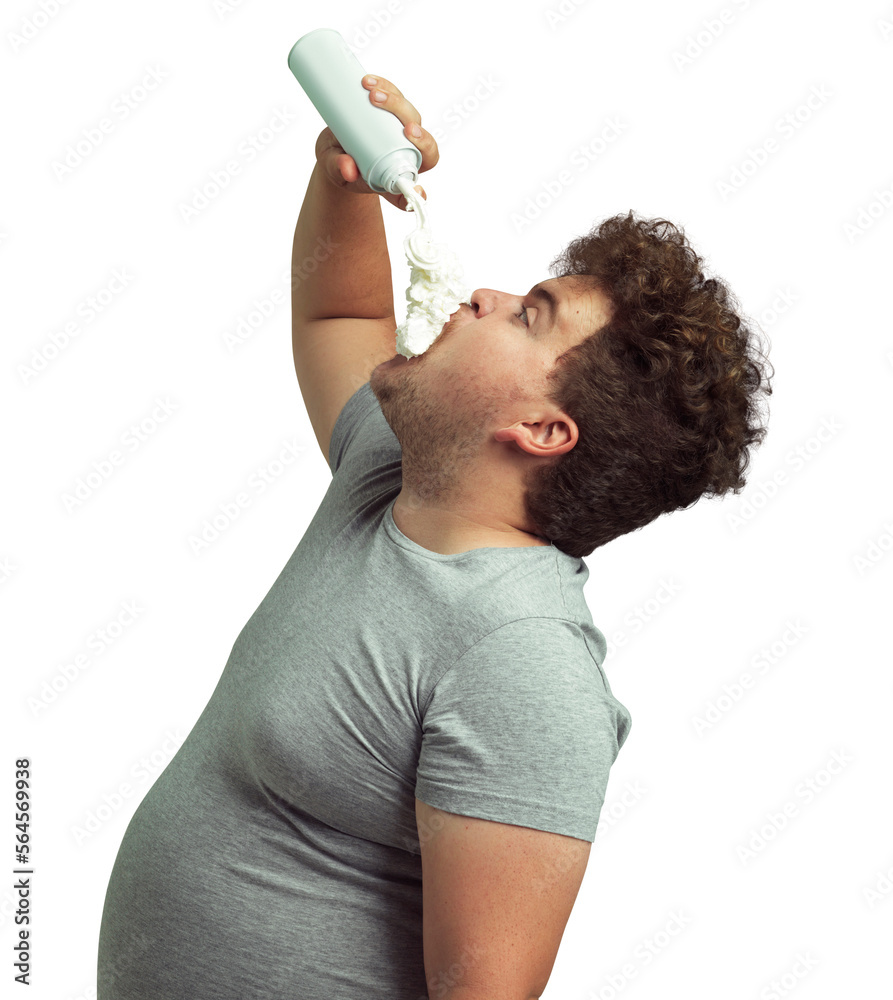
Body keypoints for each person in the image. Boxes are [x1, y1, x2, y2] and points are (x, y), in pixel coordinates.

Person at [96, 75, 773, 999]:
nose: (488, 295)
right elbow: (339, 314)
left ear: (540, 431)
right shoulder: (394, 478)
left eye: (530, 313)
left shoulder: (522, 666)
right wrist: (343, 180)